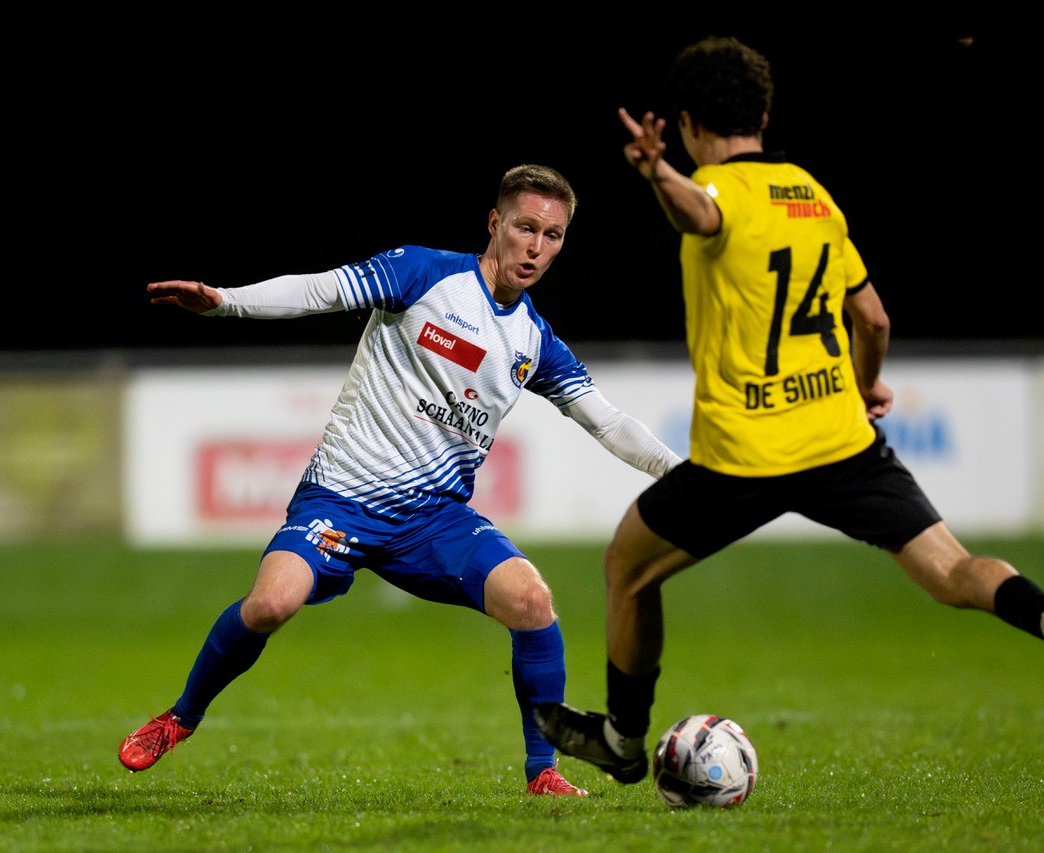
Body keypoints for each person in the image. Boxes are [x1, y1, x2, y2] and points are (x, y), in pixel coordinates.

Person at [534, 36, 1044, 784]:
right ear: (764, 114)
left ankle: (622, 739)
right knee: (952, 569)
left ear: (690, 122)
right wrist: (864, 387)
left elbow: (701, 214)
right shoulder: (813, 197)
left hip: (746, 453)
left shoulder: (714, 188)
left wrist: (656, 171)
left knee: (629, 568)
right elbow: (874, 318)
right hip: (841, 440)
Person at [120, 164, 682, 797]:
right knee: (270, 604)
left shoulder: (534, 341)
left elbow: (608, 422)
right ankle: (180, 718)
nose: (535, 247)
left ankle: (542, 772)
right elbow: (320, 291)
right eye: (525, 227)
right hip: (341, 497)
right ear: (494, 223)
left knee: (532, 602)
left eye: (552, 236)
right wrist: (226, 301)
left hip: (433, 520)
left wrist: (685, 476)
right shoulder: (423, 273)